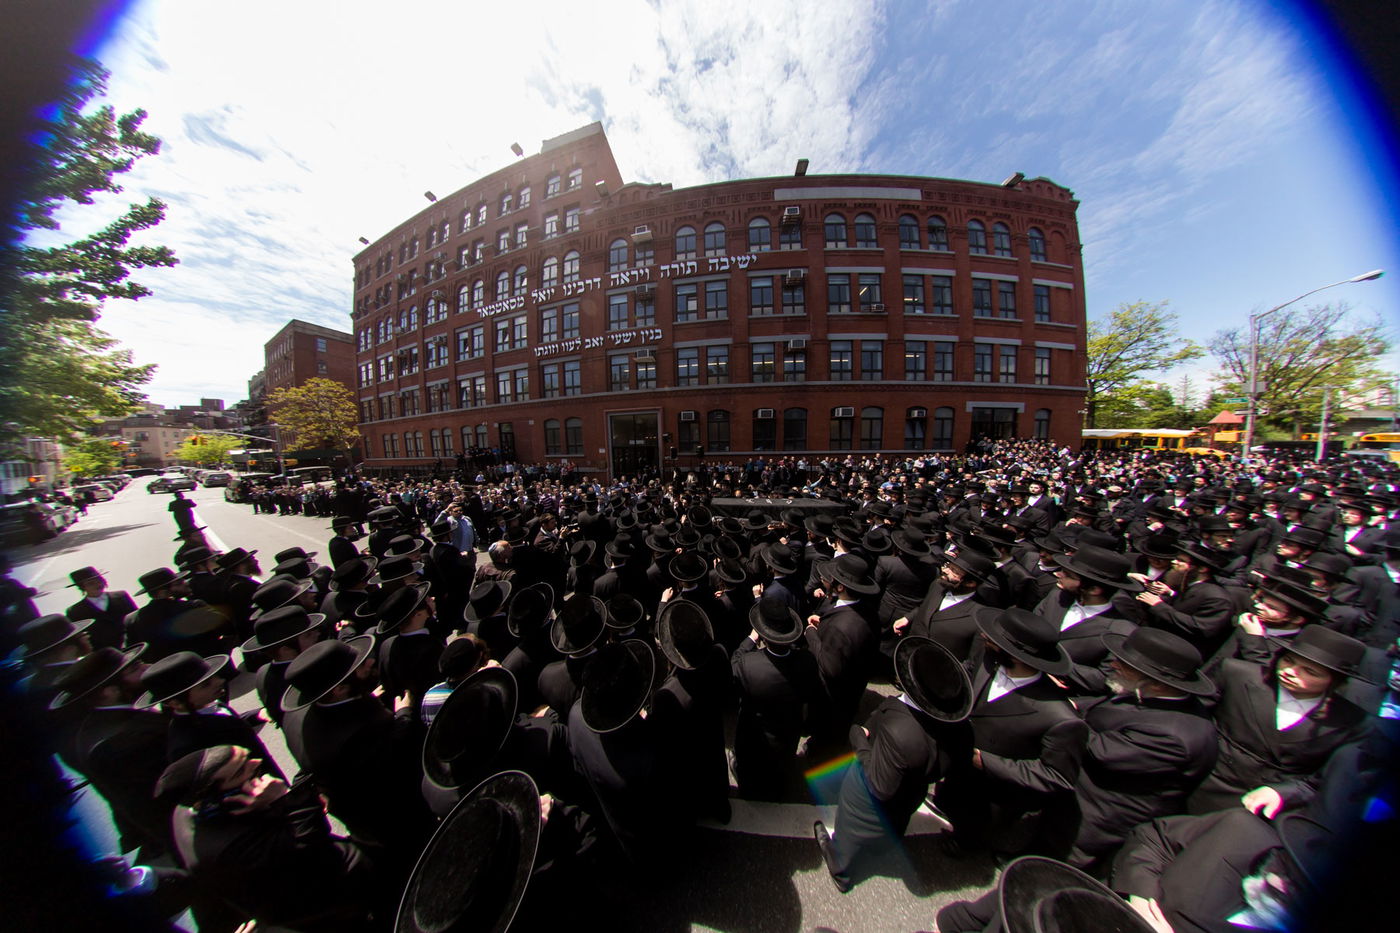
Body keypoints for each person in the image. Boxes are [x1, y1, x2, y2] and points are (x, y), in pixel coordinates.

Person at [155, 745, 376, 932]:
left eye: (247, 757)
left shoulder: (189, 810)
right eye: (241, 770)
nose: (256, 762)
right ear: (210, 798)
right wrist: (287, 799)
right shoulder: (230, 848)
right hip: (327, 902)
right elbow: (312, 848)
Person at [813, 636, 973, 892]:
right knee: (896, 821)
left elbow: (878, 785)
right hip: (911, 793)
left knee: (852, 829)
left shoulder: (901, 731)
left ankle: (840, 868)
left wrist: (858, 739)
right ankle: (882, 845)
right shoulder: (962, 730)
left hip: (869, 797)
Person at [1067, 627, 1219, 872]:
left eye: (1125, 664)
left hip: (1094, 822)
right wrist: (1072, 704)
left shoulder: (1174, 736)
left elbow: (1099, 748)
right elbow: (1106, 707)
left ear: (1158, 684)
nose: (1113, 664)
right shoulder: (1150, 694)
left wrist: (1054, 712)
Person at [1188, 626, 1374, 814]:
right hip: (1198, 781)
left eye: (1310, 671)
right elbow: (1188, 717)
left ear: (1336, 683)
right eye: (1288, 660)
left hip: (1263, 810)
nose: (1290, 672)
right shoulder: (1237, 674)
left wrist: (1284, 793)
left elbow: (1326, 778)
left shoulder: (1353, 721)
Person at [64, 566, 138, 651]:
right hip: (104, 653)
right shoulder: (75, 611)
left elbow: (135, 618)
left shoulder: (121, 596)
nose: (98, 585)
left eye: (99, 580)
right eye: (91, 583)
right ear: (82, 587)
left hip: (133, 645)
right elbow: (80, 638)